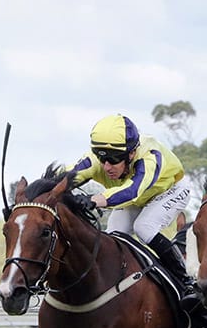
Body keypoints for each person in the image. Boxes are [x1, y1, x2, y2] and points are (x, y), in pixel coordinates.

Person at [66, 114, 196, 303]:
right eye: (102, 159)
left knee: (144, 227)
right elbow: (65, 177)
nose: (107, 166)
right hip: (137, 198)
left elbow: (133, 190)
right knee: (112, 237)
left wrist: (94, 200)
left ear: (132, 153)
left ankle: (186, 281)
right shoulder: (98, 159)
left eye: (113, 159)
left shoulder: (149, 156)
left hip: (170, 190)